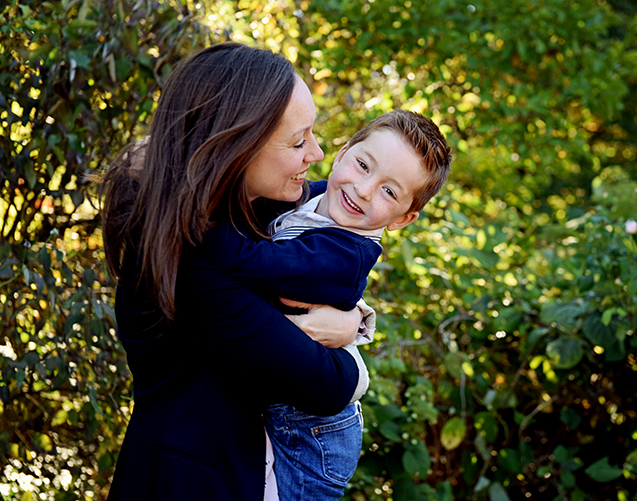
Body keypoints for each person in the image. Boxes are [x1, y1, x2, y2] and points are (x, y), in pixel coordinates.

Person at [99, 42, 367, 500]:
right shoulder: (192, 261)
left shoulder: (232, 216)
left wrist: (353, 318)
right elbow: (327, 385)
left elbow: (338, 215)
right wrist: (346, 336)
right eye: (298, 141)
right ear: (236, 146)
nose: (317, 153)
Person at [230, 109, 451, 500]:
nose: (363, 190)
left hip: (315, 431)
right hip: (285, 398)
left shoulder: (348, 255)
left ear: (404, 218)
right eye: (363, 165)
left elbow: (255, 263)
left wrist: (200, 226)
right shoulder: (313, 196)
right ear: (343, 152)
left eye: (389, 192)